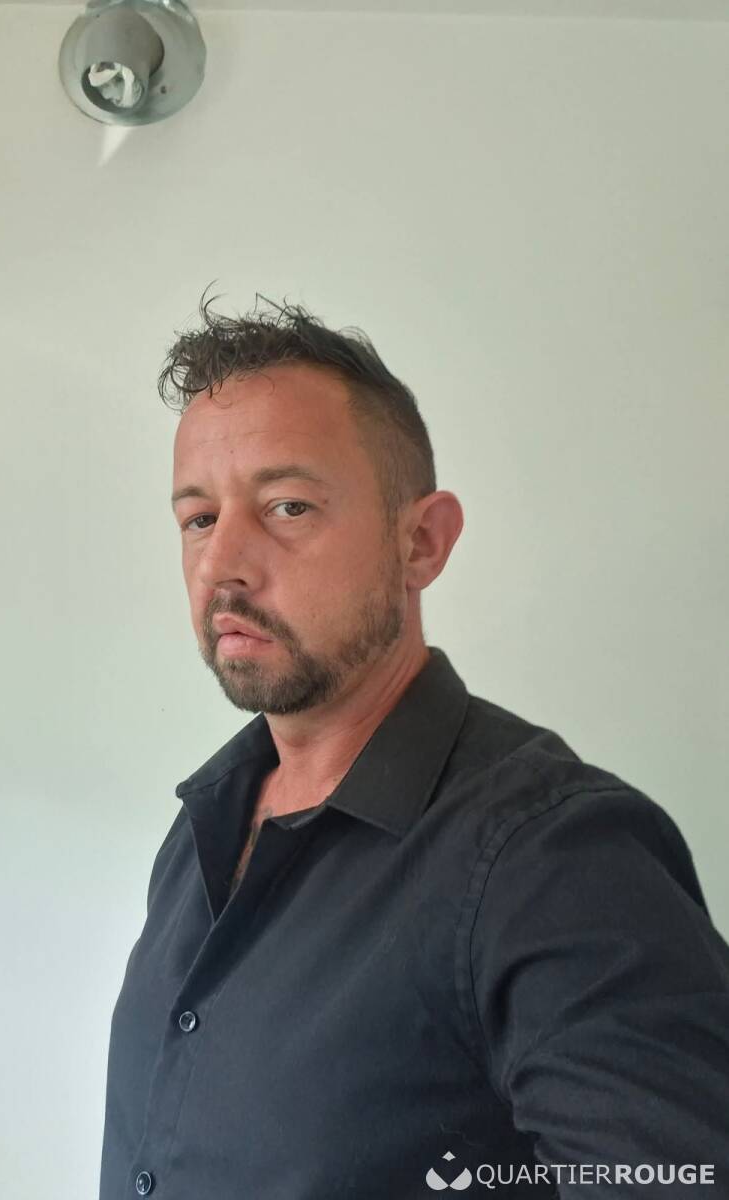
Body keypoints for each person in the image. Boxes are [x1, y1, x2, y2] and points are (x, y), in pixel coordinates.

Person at [98, 289, 729, 1199]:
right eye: (198, 518)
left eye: (287, 507)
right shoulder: (201, 830)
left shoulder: (553, 858)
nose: (222, 564)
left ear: (422, 543)